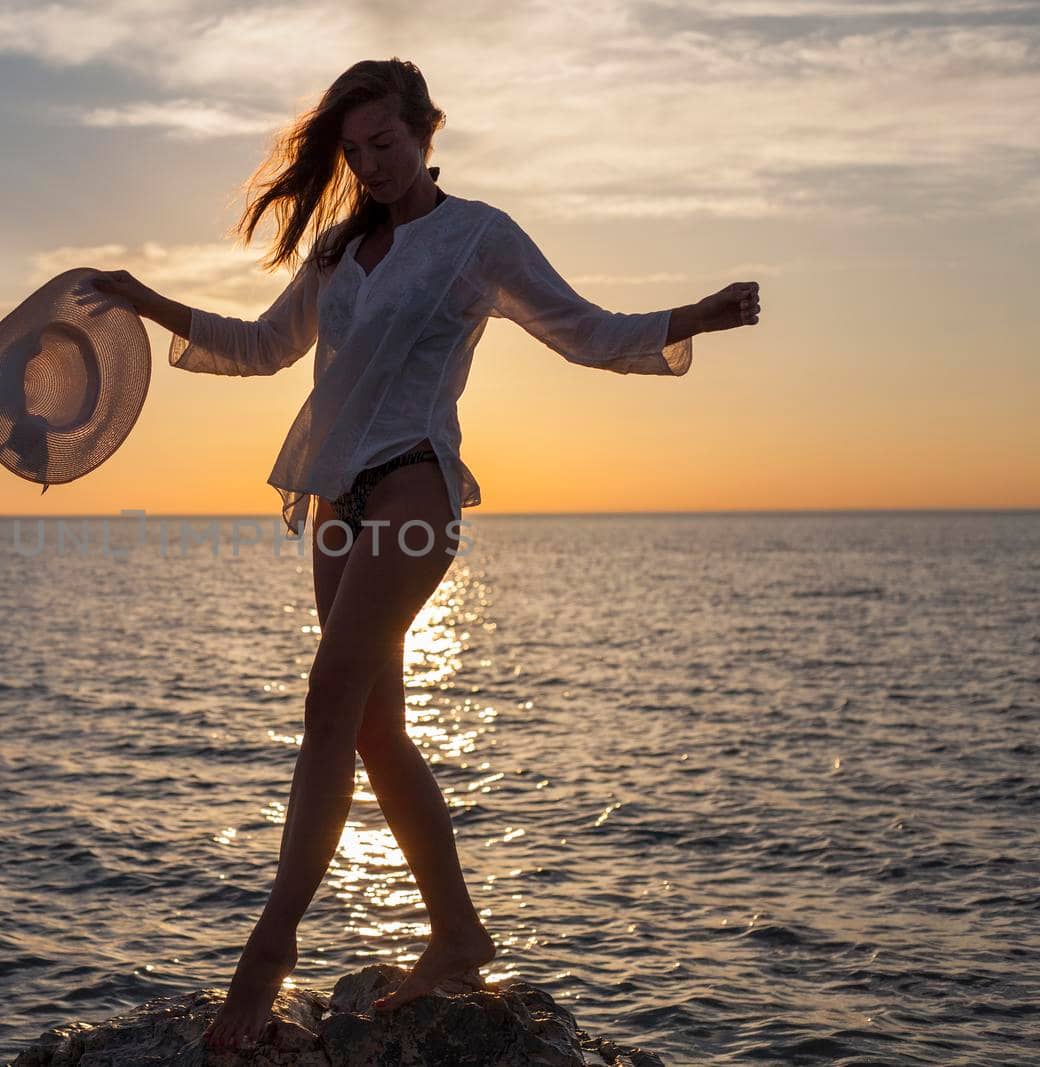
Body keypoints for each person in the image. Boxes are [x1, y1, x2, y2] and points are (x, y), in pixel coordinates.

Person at [83, 57, 760, 1050]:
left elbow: (579, 328)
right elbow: (261, 346)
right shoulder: (336, 250)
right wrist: (144, 298)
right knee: (370, 731)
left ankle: (262, 961)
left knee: (327, 704)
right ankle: (457, 930)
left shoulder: (476, 236)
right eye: (355, 152)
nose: (373, 164)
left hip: (413, 486)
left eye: (387, 144)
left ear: (426, 130)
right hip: (335, 500)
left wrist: (691, 317)